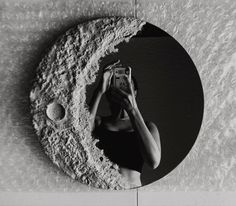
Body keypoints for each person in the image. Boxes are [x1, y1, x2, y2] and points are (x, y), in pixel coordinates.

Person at [89, 61, 161, 188]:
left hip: (132, 191)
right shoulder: (98, 122)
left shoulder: (148, 127)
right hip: (101, 190)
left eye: (127, 86)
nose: (122, 90)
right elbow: (78, 133)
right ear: (109, 92)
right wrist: (99, 91)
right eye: (116, 86)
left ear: (135, 93)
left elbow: (154, 161)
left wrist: (132, 109)